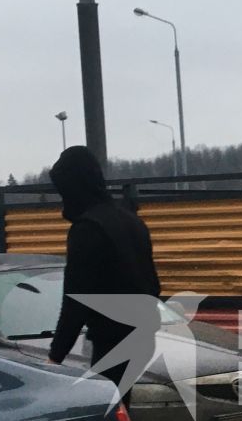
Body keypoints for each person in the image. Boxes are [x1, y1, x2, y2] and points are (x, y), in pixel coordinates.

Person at [46, 146, 163, 393]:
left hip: (111, 341)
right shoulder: (132, 221)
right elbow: (152, 283)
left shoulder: (88, 229)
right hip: (141, 336)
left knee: (104, 417)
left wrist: (55, 356)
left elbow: (75, 302)